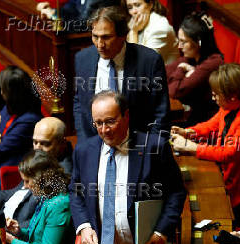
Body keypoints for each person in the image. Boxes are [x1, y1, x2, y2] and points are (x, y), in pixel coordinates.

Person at [69, 90, 186, 244]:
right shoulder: (84, 151)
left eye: (110, 121)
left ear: (126, 115)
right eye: (98, 123)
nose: (104, 129)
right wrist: (84, 226)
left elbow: (176, 192)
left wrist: (161, 232)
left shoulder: (154, 147)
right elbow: (76, 191)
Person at [171, 63, 240, 229]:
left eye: (216, 94)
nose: (213, 98)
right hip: (235, 174)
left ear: (233, 96)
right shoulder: (231, 105)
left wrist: (190, 146)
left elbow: (228, 153)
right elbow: (212, 125)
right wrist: (188, 132)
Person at [73, 5, 170, 142]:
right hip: (95, 145)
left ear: (123, 36)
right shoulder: (83, 59)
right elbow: (79, 103)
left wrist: (151, 150)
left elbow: (161, 113)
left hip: (137, 146)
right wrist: (85, 142)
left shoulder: (149, 61)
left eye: (106, 37)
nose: (100, 44)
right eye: (95, 36)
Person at [0, 117, 73, 229]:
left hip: (14, 231)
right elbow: (20, 192)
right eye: (35, 142)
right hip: (5, 218)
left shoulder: (61, 175)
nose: (37, 148)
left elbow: (40, 224)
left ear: (62, 143)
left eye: (45, 144)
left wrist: (3, 231)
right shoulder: (40, 161)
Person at [166, 12, 224, 125]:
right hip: (194, 117)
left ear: (199, 42)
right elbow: (161, 72)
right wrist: (183, 72)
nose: (179, 46)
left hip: (209, 123)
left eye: (184, 42)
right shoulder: (192, 57)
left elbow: (174, 92)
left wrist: (180, 70)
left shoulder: (213, 63)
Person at [122, 0, 179, 65]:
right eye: (130, 7)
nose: (134, 11)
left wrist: (133, 32)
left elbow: (138, 65)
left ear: (150, 5)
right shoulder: (136, 25)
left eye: (138, 5)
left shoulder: (159, 29)